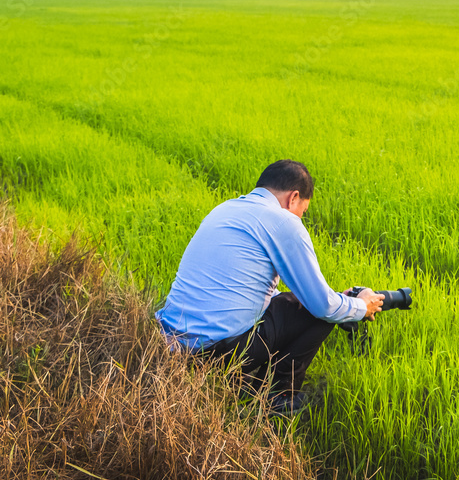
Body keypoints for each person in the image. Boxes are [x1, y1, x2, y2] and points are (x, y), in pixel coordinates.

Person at [154, 159, 384, 414]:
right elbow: (322, 306)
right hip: (211, 355)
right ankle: (279, 396)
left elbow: (242, 285)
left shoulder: (225, 209)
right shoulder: (284, 222)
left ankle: (242, 383)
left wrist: (315, 300)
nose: (301, 218)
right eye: (303, 211)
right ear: (293, 198)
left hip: (170, 344)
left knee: (290, 302)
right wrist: (361, 306)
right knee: (317, 315)